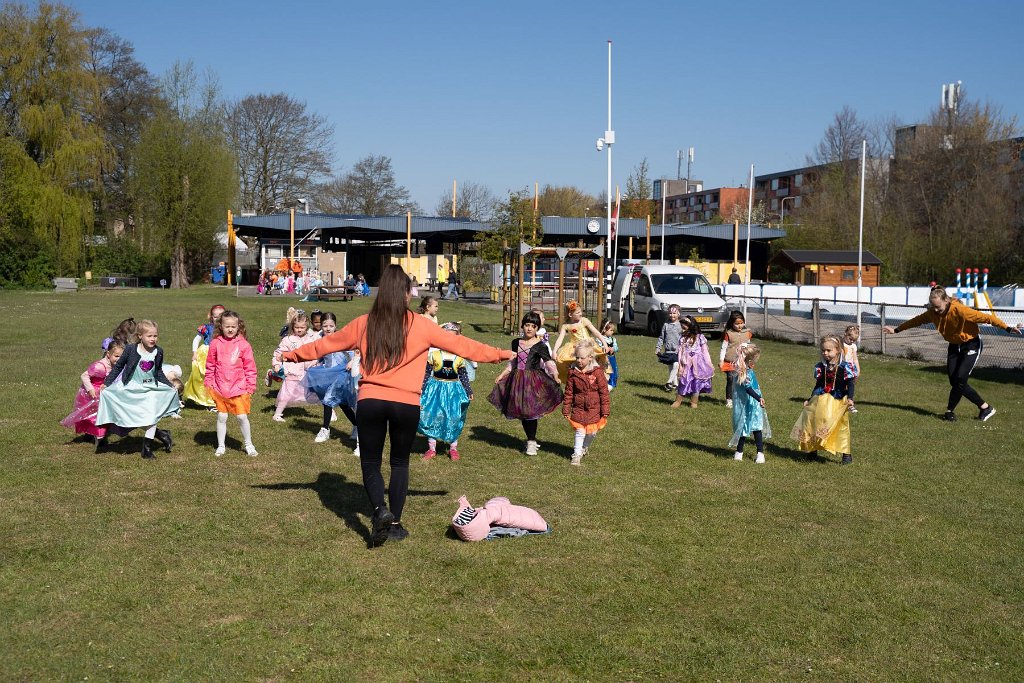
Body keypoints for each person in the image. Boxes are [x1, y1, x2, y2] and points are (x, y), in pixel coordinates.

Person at [282, 264, 514, 548]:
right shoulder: (422, 325)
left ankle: (380, 510)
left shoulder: (363, 323)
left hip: (371, 401)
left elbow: (326, 345)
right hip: (406, 404)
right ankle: (394, 524)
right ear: (406, 294)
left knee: (370, 462)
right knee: (399, 462)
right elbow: (463, 346)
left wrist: (292, 355)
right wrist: (502, 353)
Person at [883, 285, 1020, 421]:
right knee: (954, 380)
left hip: (971, 344)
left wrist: (1007, 328)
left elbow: (987, 318)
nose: (936, 310)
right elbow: (916, 321)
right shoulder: (932, 312)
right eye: (933, 307)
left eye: (938, 307)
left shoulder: (960, 310)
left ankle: (951, 410)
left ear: (946, 301)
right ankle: (984, 408)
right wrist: (896, 330)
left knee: (960, 379)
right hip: (954, 345)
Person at [96, 319, 178, 459]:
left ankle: (146, 450)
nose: (153, 339)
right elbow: (118, 367)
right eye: (149, 336)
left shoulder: (158, 351)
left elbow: (158, 372)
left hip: (150, 389)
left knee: (151, 417)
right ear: (140, 336)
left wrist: (170, 386)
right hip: (131, 388)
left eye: (155, 336)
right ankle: (162, 434)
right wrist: (107, 383)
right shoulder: (131, 349)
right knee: (136, 417)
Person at [489, 311, 563, 456]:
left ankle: (531, 442)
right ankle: (531, 439)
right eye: (527, 325)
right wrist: (503, 374)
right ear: (522, 326)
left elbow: (548, 362)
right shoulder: (516, 342)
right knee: (523, 411)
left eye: (533, 326)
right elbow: (513, 361)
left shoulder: (540, 345)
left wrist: (555, 375)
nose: (529, 328)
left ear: (537, 329)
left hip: (533, 380)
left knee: (531, 412)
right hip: (517, 380)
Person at [791, 334, 856, 465]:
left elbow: (850, 384)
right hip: (821, 398)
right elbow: (818, 384)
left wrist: (850, 398)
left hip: (838, 399)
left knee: (840, 426)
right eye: (823, 350)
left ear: (838, 350)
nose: (825, 353)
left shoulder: (845, 367)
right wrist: (810, 398)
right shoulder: (821, 366)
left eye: (829, 350)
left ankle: (846, 454)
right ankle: (812, 449)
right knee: (814, 422)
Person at [302, 313, 360, 453]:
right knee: (342, 404)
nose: (328, 329)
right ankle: (357, 425)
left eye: (331, 326)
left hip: (342, 373)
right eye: (325, 326)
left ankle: (325, 429)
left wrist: (352, 361)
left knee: (329, 400)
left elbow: (352, 352)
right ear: (320, 326)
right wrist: (317, 361)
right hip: (327, 374)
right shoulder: (320, 339)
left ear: (335, 326)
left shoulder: (340, 338)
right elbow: (323, 355)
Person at [205, 310, 258, 457]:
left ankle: (248, 444)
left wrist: (250, 385)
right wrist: (209, 381)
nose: (230, 329)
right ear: (221, 326)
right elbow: (210, 365)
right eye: (227, 326)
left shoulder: (244, 345)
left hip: (239, 387)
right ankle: (221, 445)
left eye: (233, 327)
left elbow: (250, 367)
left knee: (242, 417)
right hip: (220, 387)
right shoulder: (215, 344)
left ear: (238, 327)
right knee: (222, 417)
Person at [420, 322, 474, 461]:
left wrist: (468, 389)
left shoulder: (459, 357)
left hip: (453, 391)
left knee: (453, 417)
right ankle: (431, 448)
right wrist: (421, 387)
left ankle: (453, 448)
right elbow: (426, 373)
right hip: (435, 390)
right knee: (432, 416)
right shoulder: (434, 355)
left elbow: (463, 375)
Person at [61, 339, 125, 451]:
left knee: (100, 415)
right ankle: (99, 439)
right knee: (93, 416)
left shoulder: (116, 365)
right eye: (116, 356)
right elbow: (84, 376)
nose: (119, 359)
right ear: (108, 354)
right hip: (92, 393)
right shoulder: (100, 366)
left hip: (104, 393)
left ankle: (95, 435)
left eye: (121, 357)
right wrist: (90, 389)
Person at [562, 339, 610, 466]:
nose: (579, 360)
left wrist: (605, 410)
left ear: (590, 358)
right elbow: (569, 392)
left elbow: (604, 393)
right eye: (577, 357)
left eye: (582, 358)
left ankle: (584, 447)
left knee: (592, 432)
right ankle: (576, 455)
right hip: (578, 408)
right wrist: (566, 408)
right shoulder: (572, 373)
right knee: (580, 431)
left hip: (594, 409)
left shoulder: (597, 372)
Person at [271, 311, 319, 422]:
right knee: (286, 393)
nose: (299, 329)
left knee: (316, 391)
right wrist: (277, 364)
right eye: (297, 327)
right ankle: (277, 414)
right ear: (293, 326)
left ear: (307, 327)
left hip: (308, 371)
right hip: (292, 372)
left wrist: (316, 363)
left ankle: (330, 413)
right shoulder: (288, 340)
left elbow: (316, 353)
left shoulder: (311, 339)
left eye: (302, 327)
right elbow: (279, 353)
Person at [728, 343, 771, 463]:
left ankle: (739, 453)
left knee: (744, 427)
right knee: (756, 428)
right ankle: (759, 453)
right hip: (750, 403)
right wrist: (759, 398)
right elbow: (748, 388)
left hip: (745, 403)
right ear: (750, 359)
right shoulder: (743, 372)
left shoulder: (742, 370)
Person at [552, 300, 607, 383]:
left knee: (593, 363)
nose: (580, 314)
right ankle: (577, 382)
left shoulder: (584, 321)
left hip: (588, 345)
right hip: (576, 348)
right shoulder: (566, 325)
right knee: (575, 364)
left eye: (581, 312)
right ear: (570, 314)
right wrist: (554, 351)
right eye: (577, 313)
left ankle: (598, 381)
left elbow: (596, 332)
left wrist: (604, 343)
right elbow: (560, 339)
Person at [183, 304, 225, 410]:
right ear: (211, 317)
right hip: (206, 354)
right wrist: (194, 352)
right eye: (215, 316)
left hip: (220, 354)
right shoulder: (206, 328)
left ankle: (220, 397)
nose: (218, 318)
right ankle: (208, 401)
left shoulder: (226, 328)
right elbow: (196, 339)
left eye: (220, 316)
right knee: (206, 376)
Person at [671, 316, 714, 408]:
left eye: (685, 325)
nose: (683, 326)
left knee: (697, 383)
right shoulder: (682, 338)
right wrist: (680, 365)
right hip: (686, 363)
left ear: (691, 326)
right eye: (682, 325)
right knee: (683, 381)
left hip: (699, 364)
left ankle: (694, 402)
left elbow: (705, 351)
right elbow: (680, 352)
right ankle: (678, 401)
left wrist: (709, 363)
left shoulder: (700, 337)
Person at [720, 310, 753, 408]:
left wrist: (750, 360)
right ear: (732, 323)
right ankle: (729, 400)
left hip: (742, 362)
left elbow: (749, 347)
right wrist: (721, 360)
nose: (740, 325)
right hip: (730, 361)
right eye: (737, 324)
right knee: (730, 379)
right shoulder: (729, 333)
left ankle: (741, 398)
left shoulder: (747, 333)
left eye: (741, 323)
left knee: (743, 380)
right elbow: (723, 347)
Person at [655, 305, 683, 391]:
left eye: (674, 313)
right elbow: (661, 337)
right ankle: (675, 384)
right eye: (670, 313)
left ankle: (668, 382)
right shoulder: (666, 324)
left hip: (677, 351)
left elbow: (683, 338)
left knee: (676, 365)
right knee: (671, 367)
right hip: (668, 350)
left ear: (678, 314)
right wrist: (658, 348)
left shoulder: (681, 326)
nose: (672, 315)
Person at [841, 324, 861, 413]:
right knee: (840, 386)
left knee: (851, 384)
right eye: (851, 339)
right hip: (841, 367)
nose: (852, 341)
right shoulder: (840, 344)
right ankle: (839, 402)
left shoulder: (853, 346)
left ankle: (850, 402)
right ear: (845, 334)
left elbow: (855, 359)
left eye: (854, 340)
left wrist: (858, 370)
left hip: (850, 368)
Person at [601, 319, 619, 391]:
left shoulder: (613, 339)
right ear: (605, 330)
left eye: (613, 330)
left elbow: (617, 348)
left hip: (612, 358)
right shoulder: (600, 339)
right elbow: (598, 347)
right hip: (605, 359)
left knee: (614, 370)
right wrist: (604, 349)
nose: (612, 332)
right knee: (606, 371)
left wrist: (613, 349)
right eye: (611, 330)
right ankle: (605, 384)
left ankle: (612, 384)